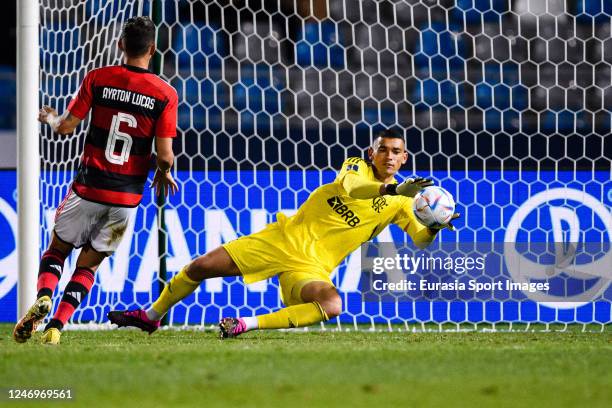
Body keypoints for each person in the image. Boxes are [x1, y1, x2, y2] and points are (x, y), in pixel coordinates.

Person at [109, 130, 459, 338]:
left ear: (404, 157)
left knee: (333, 304)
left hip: (312, 267)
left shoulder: (402, 203)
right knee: (200, 267)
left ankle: (245, 324)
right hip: (281, 240)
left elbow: (419, 240)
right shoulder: (357, 166)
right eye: (383, 149)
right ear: (373, 151)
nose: (389, 156)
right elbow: (352, 189)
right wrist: (394, 190)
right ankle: (151, 317)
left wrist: (434, 225)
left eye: (396, 151)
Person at [13, 16, 179, 345]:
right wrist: (164, 172)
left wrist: (49, 117)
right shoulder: (165, 93)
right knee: (89, 265)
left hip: (88, 188)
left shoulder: (98, 79)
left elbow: (65, 127)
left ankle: (45, 295)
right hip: (126, 201)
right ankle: (57, 327)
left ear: (120, 45)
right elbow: (165, 155)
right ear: (153, 49)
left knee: (57, 251)